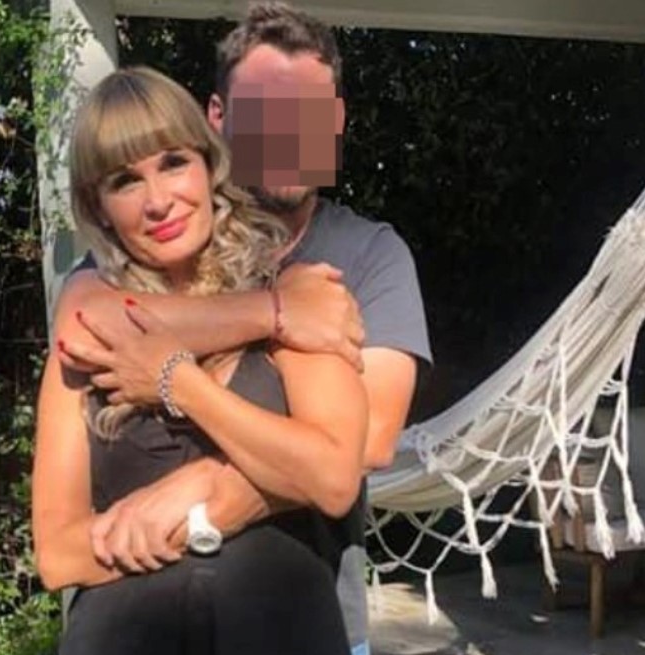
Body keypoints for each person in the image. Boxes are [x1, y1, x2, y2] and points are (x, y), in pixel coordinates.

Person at [54, 4, 433, 654]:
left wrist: (208, 490)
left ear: (335, 121)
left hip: (307, 620)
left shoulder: (369, 255)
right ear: (218, 118)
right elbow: (88, 327)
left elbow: (363, 443)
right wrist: (277, 312)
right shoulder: (147, 247)